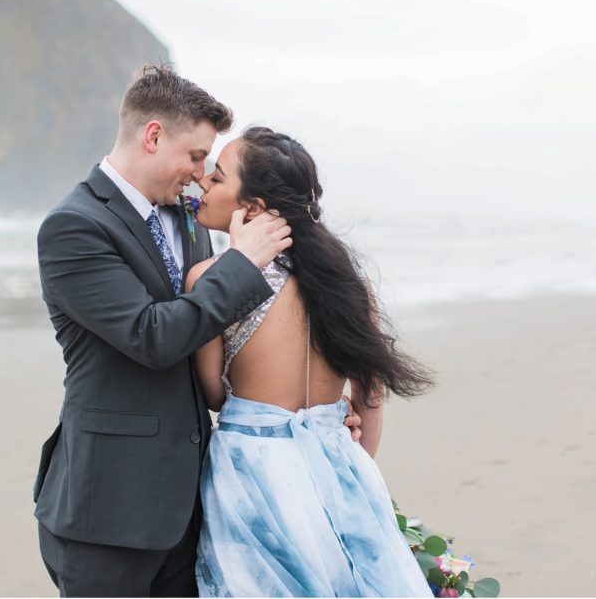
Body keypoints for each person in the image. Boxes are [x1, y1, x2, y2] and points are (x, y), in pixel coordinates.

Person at [33, 67, 364, 597]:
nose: (198, 173)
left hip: (196, 501)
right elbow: (151, 336)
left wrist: (310, 412)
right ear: (154, 135)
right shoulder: (75, 226)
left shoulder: (187, 218)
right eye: (194, 157)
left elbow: (216, 341)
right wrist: (243, 263)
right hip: (109, 510)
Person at [187, 126, 437, 597]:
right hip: (338, 463)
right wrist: (349, 469)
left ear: (253, 208)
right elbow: (371, 399)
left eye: (217, 178)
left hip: (251, 470)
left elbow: (216, 394)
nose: (202, 183)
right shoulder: (346, 282)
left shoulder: (210, 279)